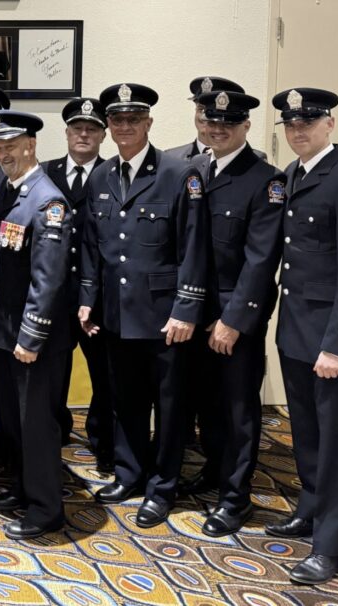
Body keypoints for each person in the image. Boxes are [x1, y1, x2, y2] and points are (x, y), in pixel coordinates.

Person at [78, 83, 209, 528]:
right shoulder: (101, 176)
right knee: (125, 402)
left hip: (164, 317)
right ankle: (130, 474)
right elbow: (94, 248)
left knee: (170, 409)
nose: (125, 127)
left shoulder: (179, 173)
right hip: (117, 314)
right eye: (117, 120)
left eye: (134, 119)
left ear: (149, 123)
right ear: (109, 126)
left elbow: (194, 248)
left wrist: (187, 310)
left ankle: (162, 487)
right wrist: (88, 302)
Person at [267, 88, 338, 583]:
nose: (298, 131)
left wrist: (336, 343)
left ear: (330, 124)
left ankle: (332, 546)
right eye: (291, 125)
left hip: (333, 340)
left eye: (308, 123)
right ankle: (312, 509)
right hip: (296, 331)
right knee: (307, 434)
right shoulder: (292, 176)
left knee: (336, 442)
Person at [188, 90, 284, 539]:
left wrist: (233, 320)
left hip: (232, 318)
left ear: (246, 127)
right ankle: (214, 469)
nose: (217, 130)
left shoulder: (266, 179)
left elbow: (261, 261)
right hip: (195, 312)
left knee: (239, 408)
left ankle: (236, 497)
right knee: (207, 402)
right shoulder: (197, 170)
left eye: (228, 124)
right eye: (210, 122)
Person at [0, 110, 72, 539]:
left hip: (30, 338)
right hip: (6, 332)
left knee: (37, 426)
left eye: (11, 146)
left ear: (31, 145)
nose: (3, 154)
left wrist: (31, 335)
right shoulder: (11, 190)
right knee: (15, 422)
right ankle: (23, 487)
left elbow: (48, 277)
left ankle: (46, 509)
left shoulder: (47, 200)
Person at [42, 98, 109, 466]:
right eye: (77, 128)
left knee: (104, 374)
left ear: (103, 134)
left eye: (92, 129)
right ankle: (55, 430)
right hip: (53, 296)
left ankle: (101, 437)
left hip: (96, 295)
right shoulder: (43, 172)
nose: (84, 134)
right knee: (52, 372)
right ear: (66, 133)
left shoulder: (113, 175)